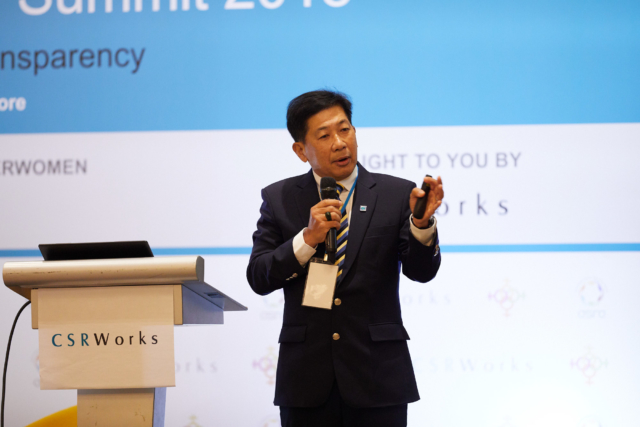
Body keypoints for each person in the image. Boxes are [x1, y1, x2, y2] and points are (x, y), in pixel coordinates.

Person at [247, 90, 444, 427]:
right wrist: (307, 239)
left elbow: (421, 272)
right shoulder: (279, 198)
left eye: (345, 130)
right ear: (300, 150)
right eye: (324, 136)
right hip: (306, 380)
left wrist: (421, 225)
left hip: (378, 377)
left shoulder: (396, 193)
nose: (340, 143)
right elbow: (259, 277)